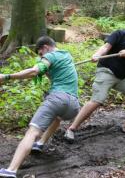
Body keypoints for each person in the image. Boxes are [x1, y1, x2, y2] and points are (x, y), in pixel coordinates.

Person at [0, 36, 80, 178]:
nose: (41, 57)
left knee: (32, 131)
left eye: (40, 54)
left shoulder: (50, 55)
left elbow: (35, 71)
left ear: (45, 47)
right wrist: (47, 71)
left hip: (58, 98)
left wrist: (6, 76)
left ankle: (11, 170)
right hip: (73, 106)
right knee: (57, 116)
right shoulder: (66, 55)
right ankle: (40, 143)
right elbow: (52, 74)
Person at [64, 16, 125, 140]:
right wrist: (97, 55)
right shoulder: (119, 34)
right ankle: (71, 128)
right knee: (98, 100)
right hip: (106, 72)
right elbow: (105, 47)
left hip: (121, 78)